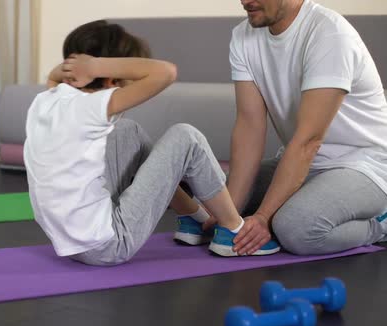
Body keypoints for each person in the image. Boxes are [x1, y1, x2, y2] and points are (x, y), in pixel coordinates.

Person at [23, 20, 280, 266]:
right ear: (111, 79)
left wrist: (78, 66)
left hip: (70, 245)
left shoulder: (45, 100)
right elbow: (166, 72)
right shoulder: (91, 107)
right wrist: (96, 65)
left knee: (126, 130)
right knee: (186, 137)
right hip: (109, 245)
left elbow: (53, 77)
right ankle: (234, 230)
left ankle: (192, 217)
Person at [223, 0, 387, 256]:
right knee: (216, 196)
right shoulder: (242, 36)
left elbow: (309, 140)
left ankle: (381, 224)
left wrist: (264, 216)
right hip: (305, 161)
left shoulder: (330, 34)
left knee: (294, 228)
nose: (244, 1)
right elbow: (249, 126)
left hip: (364, 166)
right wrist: (228, 212)